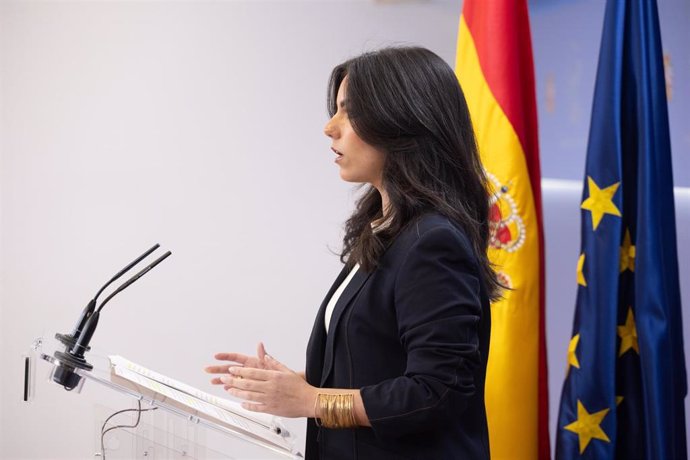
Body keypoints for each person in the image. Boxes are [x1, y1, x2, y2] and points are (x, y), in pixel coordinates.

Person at [205, 46, 500, 459]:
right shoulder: (385, 232)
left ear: (401, 121)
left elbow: (435, 392)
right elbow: (378, 366)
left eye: (348, 111)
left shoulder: (433, 242)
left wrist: (311, 401)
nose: (330, 127)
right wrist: (297, 385)